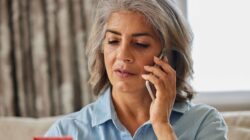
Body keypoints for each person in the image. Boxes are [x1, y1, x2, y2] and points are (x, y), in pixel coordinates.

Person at [45, 0, 228, 139]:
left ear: (168, 56)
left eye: (140, 44)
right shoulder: (66, 131)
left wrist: (162, 126)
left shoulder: (204, 122)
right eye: (113, 41)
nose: (122, 55)